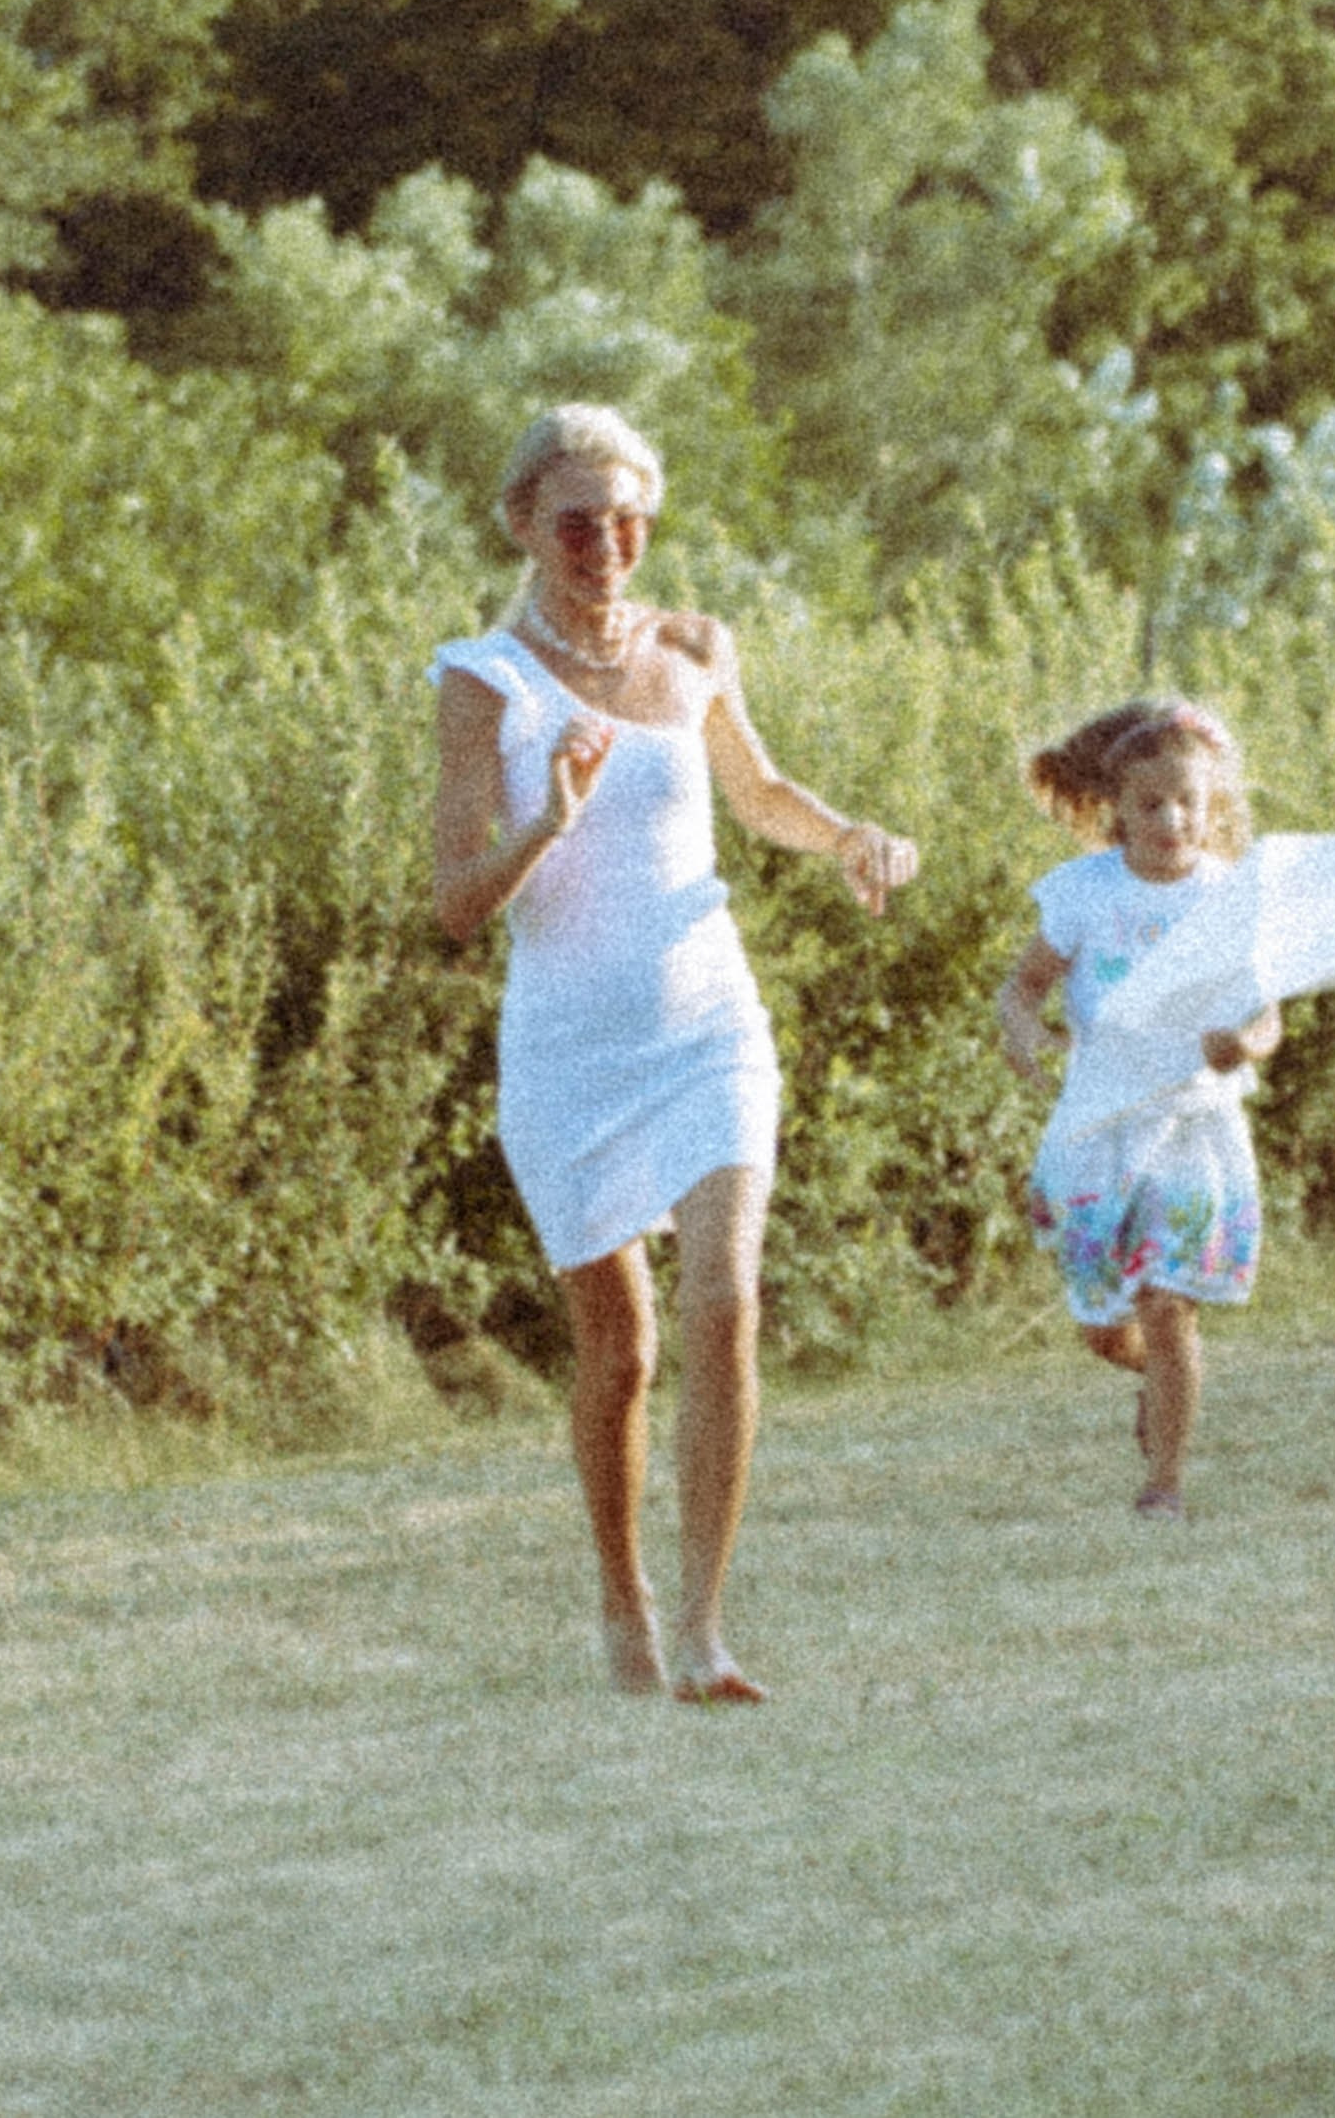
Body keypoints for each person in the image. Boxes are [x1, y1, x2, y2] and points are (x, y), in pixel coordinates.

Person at [431, 404, 917, 1701]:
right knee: (623, 1351)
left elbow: (758, 795)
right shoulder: (484, 679)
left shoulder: (697, 645)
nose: (608, 544)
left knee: (726, 1301)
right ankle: (623, 1596)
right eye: (578, 521)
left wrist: (853, 836)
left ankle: (706, 1628)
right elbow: (456, 902)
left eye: (629, 519)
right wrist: (549, 821)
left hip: (709, 1025)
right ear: (524, 524)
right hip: (570, 1051)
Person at [994, 699, 1280, 1519]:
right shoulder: (1084, 894)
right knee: (1104, 1326)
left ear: (1211, 803)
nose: (1172, 819)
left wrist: (1246, 1044)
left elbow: (1268, 1014)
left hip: (1193, 1124)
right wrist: (1022, 1029)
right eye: (1152, 802)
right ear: (1117, 805)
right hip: (1100, 1125)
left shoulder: (1229, 895)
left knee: (1166, 1303)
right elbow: (1023, 986)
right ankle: (1159, 1384)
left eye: (1188, 801)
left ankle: (1165, 1484)